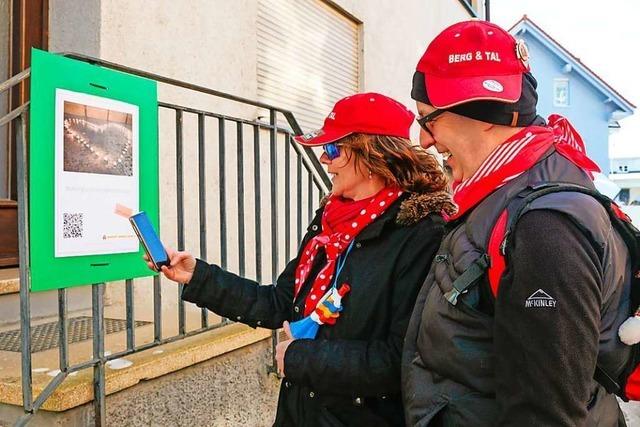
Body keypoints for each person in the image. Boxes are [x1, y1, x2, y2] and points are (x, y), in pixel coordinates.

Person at [147, 92, 455, 426]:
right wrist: (197, 276)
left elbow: (402, 358)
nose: (324, 159)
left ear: (372, 155)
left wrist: (301, 358)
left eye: (334, 149)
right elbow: (280, 302)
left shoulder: (420, 233)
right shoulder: (329, 222)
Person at [402, 20, 632, 426]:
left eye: (428, 120)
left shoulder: (545, 227)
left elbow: (545, 416)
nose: (423, 141)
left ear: (484, 113)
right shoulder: (498, 193)